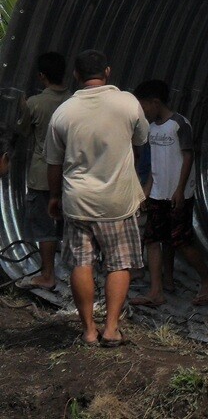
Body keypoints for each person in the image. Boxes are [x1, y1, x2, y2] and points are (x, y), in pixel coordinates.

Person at [45, 50, 148, 347]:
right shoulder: (128, 102)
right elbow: (140, 140)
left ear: (75, 76)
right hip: (117, 201)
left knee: (81, 263)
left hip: (78, 201)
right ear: (107, 71)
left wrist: (54, 197)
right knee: (118, 263)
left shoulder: (64, 112)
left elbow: (54, 162)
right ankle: (112, 328)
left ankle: (89, 330)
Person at [130, 80, 208, 307]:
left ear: (155, 102)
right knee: (152, 240)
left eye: (144, 106)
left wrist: (180, 189)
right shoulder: (152, 129)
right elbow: (155, 165)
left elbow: (188, 157)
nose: (143, 112)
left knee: (181, 241)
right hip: (158, 194)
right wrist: (146, 192)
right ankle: (156, 290)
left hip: (178, 195)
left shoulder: (179, 124)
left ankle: (207, 280)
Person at [14, 52, 71, 291]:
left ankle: (48, 275)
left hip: (43, 175)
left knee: (44, 228)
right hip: (71, 174)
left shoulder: (35, 103)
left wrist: (22, 108)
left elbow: (23, 131)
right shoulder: (73, 101)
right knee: (72, 225)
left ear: (41, 76)